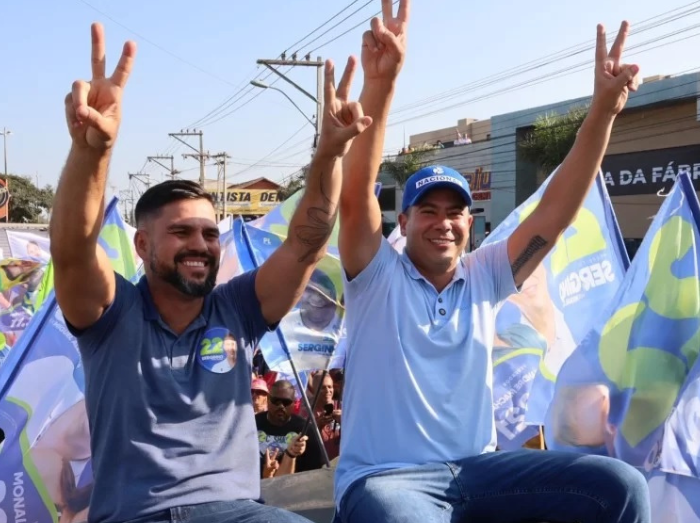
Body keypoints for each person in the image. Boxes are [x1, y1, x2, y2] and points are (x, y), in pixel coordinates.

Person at [334, 1, 651, 522]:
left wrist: (604, 111)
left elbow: (556, 210)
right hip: (386, 482)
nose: (443, 222)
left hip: (479, 474)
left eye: (455, 212)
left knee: (618, 486)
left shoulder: (485, 276)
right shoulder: (375, 277)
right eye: (428, 211)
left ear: (471, 224)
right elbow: (354, 197)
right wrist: (383, 84)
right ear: (404, 223)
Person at [50, 22, 372, 523]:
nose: (200, 245)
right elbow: (72, 249)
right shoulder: (111, 315)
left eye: (208, 232)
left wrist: (330, 152)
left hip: (238, 513)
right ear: (141, 244)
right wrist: (92, 150)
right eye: (181, 233)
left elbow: (307, 244)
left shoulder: (239, 308)